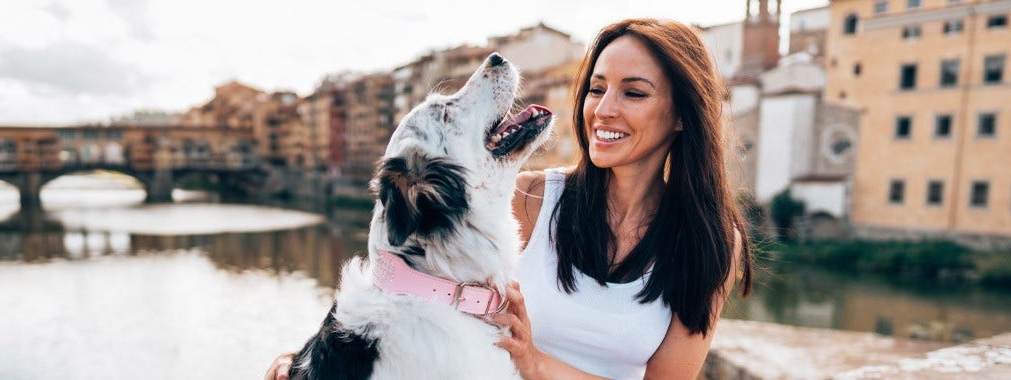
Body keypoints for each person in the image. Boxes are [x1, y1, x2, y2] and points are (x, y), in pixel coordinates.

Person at [265, 18, 752, 380]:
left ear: (684, 114)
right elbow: (400, 278)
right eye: (597, 88)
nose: (603, 109)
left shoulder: (710, 244)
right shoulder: (528, 196)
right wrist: (312, 361)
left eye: (634, 93)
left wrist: (537, 364)